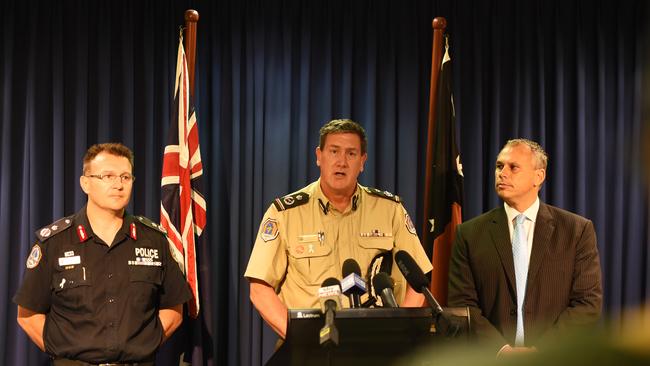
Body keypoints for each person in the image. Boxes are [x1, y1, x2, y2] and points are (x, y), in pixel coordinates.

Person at [244, 119, 433, 338]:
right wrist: (299, 338)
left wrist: (399, 336)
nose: (341, 162)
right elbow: (259, 288)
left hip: (376, 345)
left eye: (351, 154)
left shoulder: (390, 210)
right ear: (319, 156)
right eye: (334, 151)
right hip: (309, 347)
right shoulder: (284, 213)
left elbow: (418, 279)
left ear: (362, 161)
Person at [14, 143, 192, 365]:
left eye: (126, 177)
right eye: (107, 176)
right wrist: (66, 355)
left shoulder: (154, 241)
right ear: (85, 183)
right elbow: (28, 314)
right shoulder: (54, 243)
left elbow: (174, 308)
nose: (118, 185)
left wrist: (145, 344)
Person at [448, 139, 603, 355]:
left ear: (538, 177)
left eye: (513, 167)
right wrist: (501, 350)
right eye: (499, 166)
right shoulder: (469, 234)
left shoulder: (576, 231)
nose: (502, 173)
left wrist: (541, 351)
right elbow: (462, 305)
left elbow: (587, 304)